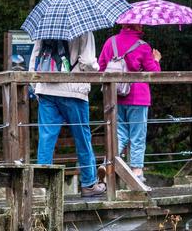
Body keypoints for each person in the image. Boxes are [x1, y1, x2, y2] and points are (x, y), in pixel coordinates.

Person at [29, 31, 107, 197]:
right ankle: (88, 184)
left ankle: (41, 186)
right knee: (82, 137)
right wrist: (96, 67)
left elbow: (35, 59)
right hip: (73, 90)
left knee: (46, 138)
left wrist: (36, 87)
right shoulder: (84, 30)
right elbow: (87, 62)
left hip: (46, 88)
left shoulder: (45, 28)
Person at [98, 24, 161, 183]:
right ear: (137, 25)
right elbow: (154, 73)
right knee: (137, 135)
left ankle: (107, 165)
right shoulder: (143, 46)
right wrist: (156, 60)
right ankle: (136, 171)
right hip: (138, 96)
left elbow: (101, 68)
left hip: (115, 96)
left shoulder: (110, 42)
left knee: (118, 133)